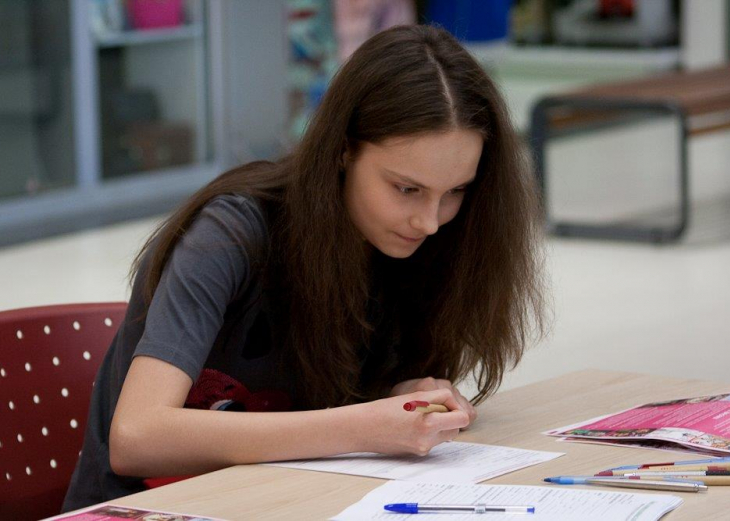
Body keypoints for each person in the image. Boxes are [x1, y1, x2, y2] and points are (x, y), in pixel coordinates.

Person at [63, 24, 546, 511]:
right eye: (406, 189)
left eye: (455, 192)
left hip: (289, 502)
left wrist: (398, 395)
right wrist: (365, 425)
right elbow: (138, 436)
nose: (429, 221)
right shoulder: (228, 235)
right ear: (342, 150)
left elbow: (325, 400)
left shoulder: (414, 246)